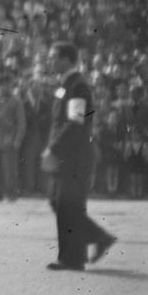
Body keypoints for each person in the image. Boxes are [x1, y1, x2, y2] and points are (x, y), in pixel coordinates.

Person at [44, 43, 116, 271]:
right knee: (60, 202)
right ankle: (89, 245)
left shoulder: (78, 86)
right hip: (67, 155)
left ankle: (74, 257)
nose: (50, 61)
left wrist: (53, 149)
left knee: (67, 204)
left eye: (53, 57)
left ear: (66, 59)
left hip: (75, 156)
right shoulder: (65, 84)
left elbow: (75, 122)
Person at [0, 67, 24, 202]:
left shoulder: (16, 101)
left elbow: (21, 123)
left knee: (9, 169)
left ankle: (11, 193)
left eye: (7, 85)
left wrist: (18, 139)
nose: (4, 87)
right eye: (1, 85)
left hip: (8, 137)